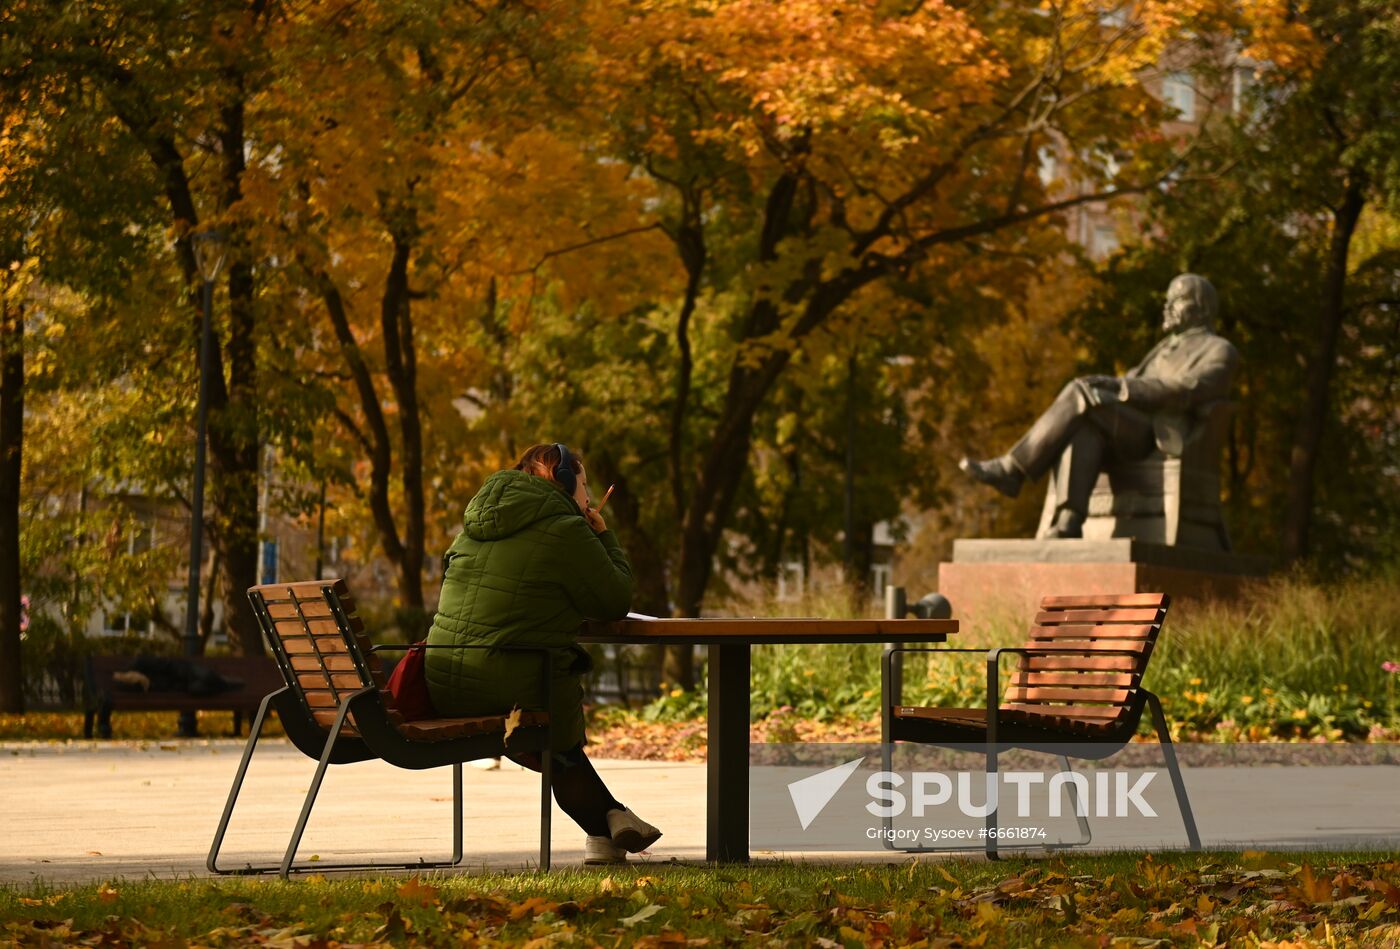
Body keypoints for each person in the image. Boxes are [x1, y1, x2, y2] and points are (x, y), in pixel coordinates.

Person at [424, 443, 662, 864]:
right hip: (509, 682)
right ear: (566, 482)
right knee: (555, 716)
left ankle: (605, 831)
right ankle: (609, 817)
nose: (588, 497)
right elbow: (613, 601)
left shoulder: (474, 525)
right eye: (584, 485)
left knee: (548, 703)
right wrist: (605, 536)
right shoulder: (565, 530)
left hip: (442, 680)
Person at [959, 273, 1238, 537]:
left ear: (1201, 307)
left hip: (1160, 435)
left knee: (1081, 393)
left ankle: (1012, 469)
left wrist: (1120, 388)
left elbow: (1184, 390)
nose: (1166, 307)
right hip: (1130, 427)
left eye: (1175, 300)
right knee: (1085, 424)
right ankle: (1069, 520)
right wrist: (1112, 385)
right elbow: (1133, 380)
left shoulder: (1218, 350)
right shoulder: (1163, 347)